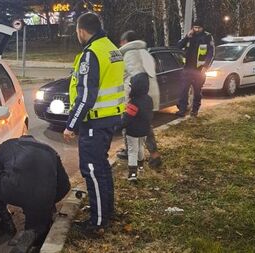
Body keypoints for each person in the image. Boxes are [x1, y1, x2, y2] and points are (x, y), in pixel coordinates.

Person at [63, 12, 125, 235]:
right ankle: (106, 211)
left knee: (91, 169)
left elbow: (86, 96)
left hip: (95, 122)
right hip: (110, 119)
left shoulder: (91, 54)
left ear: (81, 30)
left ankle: (98, 223)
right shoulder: (112, 49)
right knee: (102, 168)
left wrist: (71, 124)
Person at [0, 135, 70, 253]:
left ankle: (7, 222)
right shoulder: (51, 151)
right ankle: (34, 231)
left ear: (20, 139)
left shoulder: (6, 145)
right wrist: (48, 202)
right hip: (43, 196)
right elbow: (65, 186)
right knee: (38, 227)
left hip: (13, 190)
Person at [118, 30, 162, 169]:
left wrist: (128, 99)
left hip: (138, 95)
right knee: (144, 126)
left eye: (121, 41)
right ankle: (152, 155)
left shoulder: (131, 54)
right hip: (149, 94)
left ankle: (139, 155)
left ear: (126, 42)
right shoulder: (144, 52)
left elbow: (134, 78)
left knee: (130, 124)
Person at [176, 20, 215, 117]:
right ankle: (182, 110)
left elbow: (211, 53)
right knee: (184, 90)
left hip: (199, 69)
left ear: (202, 28)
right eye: (195, 27)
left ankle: (195, 110)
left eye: (198, 28)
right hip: (187, 68)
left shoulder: (207, 37)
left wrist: (205, 67)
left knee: (197, 91)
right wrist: (186, 38)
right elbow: (178, 46)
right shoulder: (190, 36)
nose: (196, 29)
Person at [122, 73, 153, 181]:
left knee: (132, 150)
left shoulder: (133, 103)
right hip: (144, 129)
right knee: (140, 147)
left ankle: (132, 174)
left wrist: (117, 126)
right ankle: (140, 166)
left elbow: (127, 119)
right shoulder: (149, 99)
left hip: (132, 131)